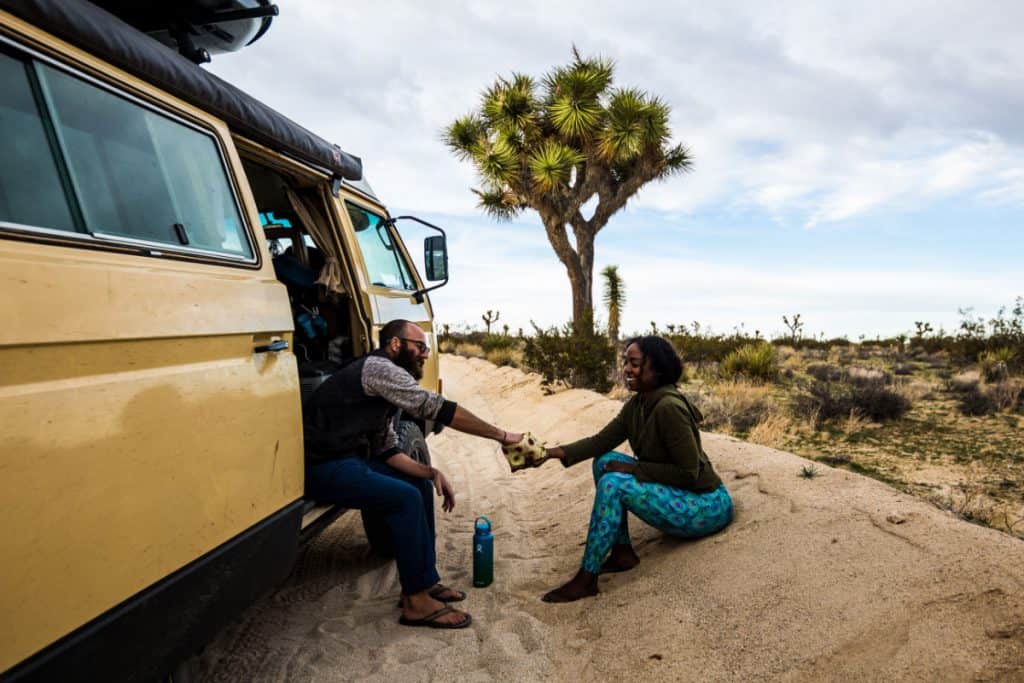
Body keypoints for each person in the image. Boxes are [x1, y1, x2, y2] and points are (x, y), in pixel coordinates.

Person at [303, 319, 526, 628]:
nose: (424, 354)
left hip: (349, 460)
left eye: (427, 348)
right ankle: (415, 602)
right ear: (395, 345)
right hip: (323, 465)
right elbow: (435, 407)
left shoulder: (386, 389)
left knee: (418, 484)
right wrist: (501, 435)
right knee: (403, 498)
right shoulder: (379, 368)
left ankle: (425, 581)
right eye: (419, 347)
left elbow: (387, 449)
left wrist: (430, 471)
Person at [540, 336, 733, 602]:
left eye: (635, 363)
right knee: (604, 461)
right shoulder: (638, 404)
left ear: (658, 369)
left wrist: (634, 470)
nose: (627, 369)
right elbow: (601, 442)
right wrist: (547, 453)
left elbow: (689, 473)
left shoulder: (669, 408)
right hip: (682, 494)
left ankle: (587, 579)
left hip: (707, 507)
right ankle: (622, 553)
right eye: (626, 362)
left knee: (614, 483)